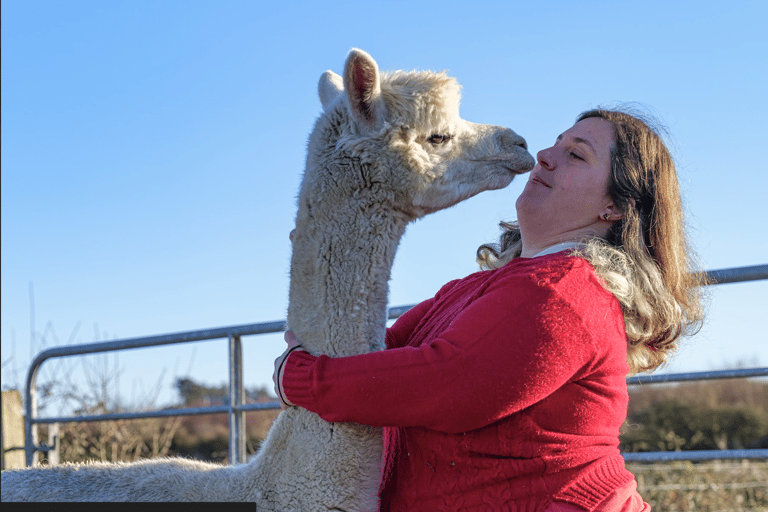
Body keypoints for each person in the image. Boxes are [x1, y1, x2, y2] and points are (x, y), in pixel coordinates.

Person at [273, 106, 707, 512]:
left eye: (575, 155)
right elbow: (374, 354)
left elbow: (448, 383)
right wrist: (328, 263)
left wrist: (305, 379)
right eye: (556, 143)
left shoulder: (568, 292)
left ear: (614, 205)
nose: (544, 155)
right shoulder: (479, 286)